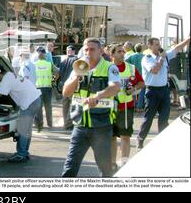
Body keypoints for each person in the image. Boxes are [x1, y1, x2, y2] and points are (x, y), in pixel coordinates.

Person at [61, 38, 121, 177]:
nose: (88, 52)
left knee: (105, 169)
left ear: (100, 51)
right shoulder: (79, 66)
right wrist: (77, 75)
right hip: (80, 125)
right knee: (70, 167)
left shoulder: (109, 67)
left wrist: (98, 96)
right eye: (86, 49)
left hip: (101, 125)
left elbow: (115, 87)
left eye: (92, 49)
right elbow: (66, 92)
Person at [136, 36, 191, 150]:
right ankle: (140, 139)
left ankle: (163, 141)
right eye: (156, 44)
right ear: (150, 46)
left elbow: (177, 48)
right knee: (149, 118)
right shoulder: (147, 58)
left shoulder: (165, 56)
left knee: (164, 118)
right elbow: (155, 70)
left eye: (159, 44)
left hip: (164, 90)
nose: (159, 46)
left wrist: (188, 39)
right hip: (152, 91)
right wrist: (161, 58)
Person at [0, 65, 42, 163]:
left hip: (29, 103)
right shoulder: (11, 75)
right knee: (27, 129)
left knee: (22, 129)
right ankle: (24, 152)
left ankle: (21, 154)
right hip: (36, 99)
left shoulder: (6, 79)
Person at [109, 44, 145, 172]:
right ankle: (112, 163)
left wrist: (134, 89)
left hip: (126, 106)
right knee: (112, 137)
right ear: (112, 54)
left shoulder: (131, 68)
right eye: (119, 51)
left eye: (123, 51)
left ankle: (124, 163)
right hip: (110, 107)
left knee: (125, 136)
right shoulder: (107, 68)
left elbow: (141, 82)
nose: (122, 53)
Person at [33, 48, 58, 132]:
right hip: (48, 87)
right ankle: (50, 124)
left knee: (39, 107)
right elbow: (57, 72)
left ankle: (40, 125)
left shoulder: (34, 64)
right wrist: (53, 80)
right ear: (45, 55)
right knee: (48, 106)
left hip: (37, 88)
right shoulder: (49, 64)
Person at [58, 45, 78, 130]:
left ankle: (66, 123)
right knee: (73, 104)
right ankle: (69, 123)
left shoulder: (63, 61)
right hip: (72, 85)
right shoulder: (76, 60)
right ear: (73, 51)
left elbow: (59, 73)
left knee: (65, 105)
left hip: (63, 85)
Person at [126, 43, 146, 112]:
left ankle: (133, 106)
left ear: (135, 49)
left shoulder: (131, 56)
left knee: (133, 91)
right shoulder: (144, 56)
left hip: (133, 76)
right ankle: (139, 107)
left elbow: (125, 62)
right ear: (142, 49)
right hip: (142, 76)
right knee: (141, 92)